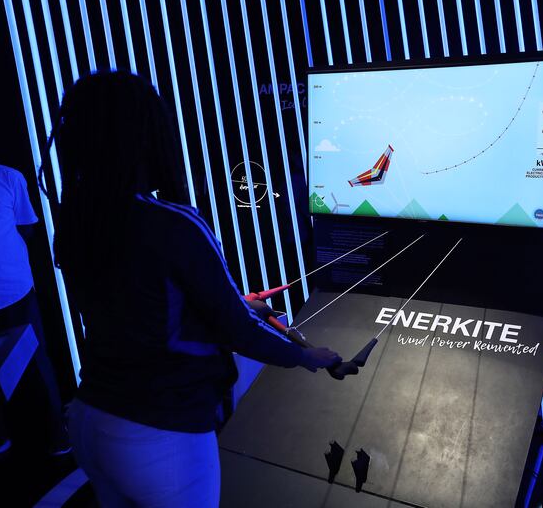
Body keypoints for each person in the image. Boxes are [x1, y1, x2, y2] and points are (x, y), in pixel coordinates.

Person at [50, 72, 342, 507]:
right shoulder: (173, 223)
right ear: (143, 136)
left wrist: (236, 305)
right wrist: (305, 356)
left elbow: (135, 310)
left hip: (90, 418)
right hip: (160, 434)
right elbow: (236, 331)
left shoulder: (74, 219)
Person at [0, 157, 70, 469]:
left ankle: (57, 434)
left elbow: (27, 227)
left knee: (37, 363)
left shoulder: (7, 177)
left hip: (14, 291)